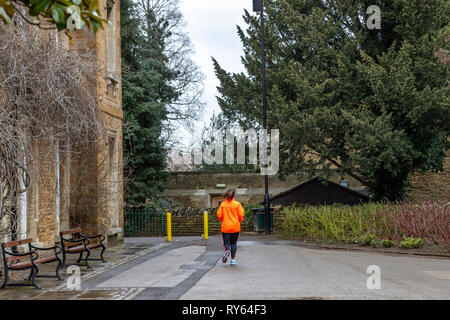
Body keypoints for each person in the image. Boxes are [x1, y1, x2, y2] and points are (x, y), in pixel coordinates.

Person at [217, 189, 244, 265]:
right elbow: (241, 214)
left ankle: (227, 251)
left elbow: (219, 215)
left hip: (225, 226)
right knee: (234, 243)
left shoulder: (222, 204)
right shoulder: (237, 204)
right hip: (235, 226)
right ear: (234, 196)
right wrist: (238, 221)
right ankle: (233, 259)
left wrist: (223, 220)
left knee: (226, 242)